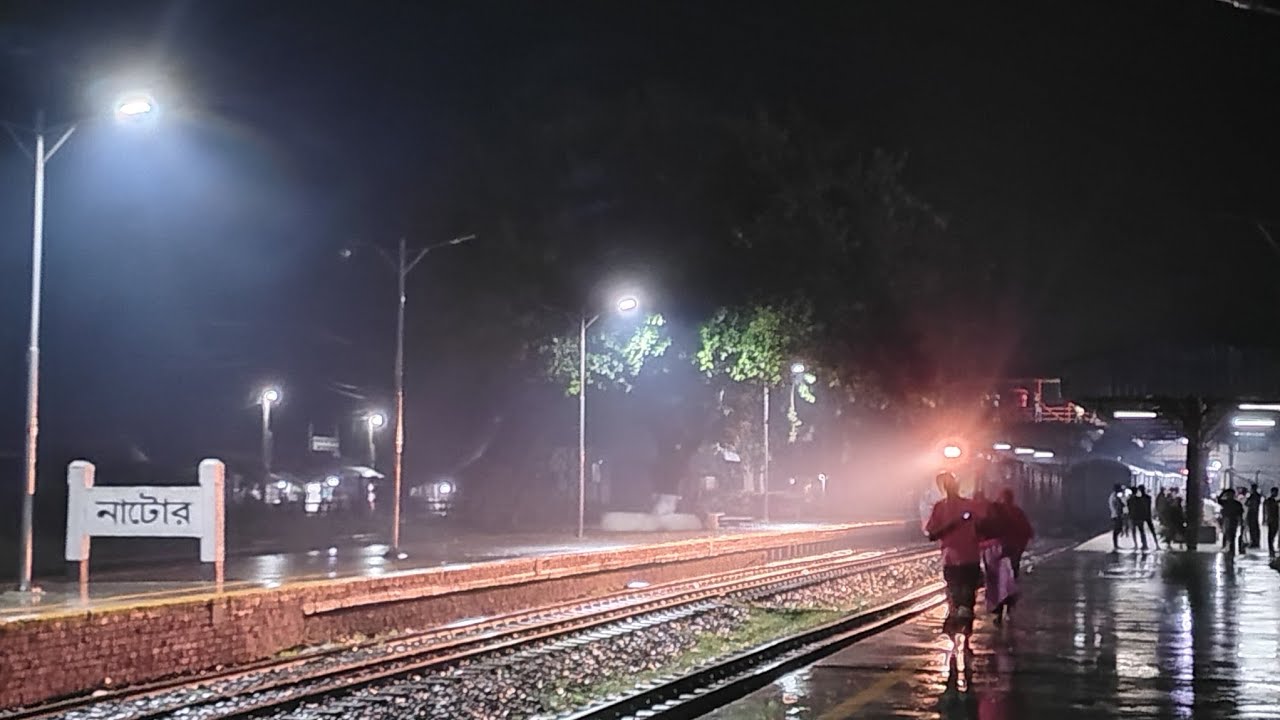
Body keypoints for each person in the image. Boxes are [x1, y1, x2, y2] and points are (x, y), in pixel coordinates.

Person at [925, 471, 984, 640]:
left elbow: (931, 534)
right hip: (970, 557)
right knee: (968, 596)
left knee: (954, 593)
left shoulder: (939, 507)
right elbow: (983, 527)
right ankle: (966, 636)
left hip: (950, 559)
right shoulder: (971, 506)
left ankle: (954, 626)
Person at [1219, 489, 1244, 555]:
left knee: (1232, 535)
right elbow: (1218, 499)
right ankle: (1226, 547)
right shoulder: (1225, 502)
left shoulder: (1236, 504)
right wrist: (1223, 492)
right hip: (1226, 519)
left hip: (1233, 520)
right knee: (1226, 534)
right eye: (1228, 494)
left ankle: (1231, 549)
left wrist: (1241, 522)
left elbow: (1240, 513)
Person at [1109, 484, 1127, 550]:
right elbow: (1116, 506)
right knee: (1116, 530)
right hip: (1116, 515)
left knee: (1118, 529)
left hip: (1117, 515)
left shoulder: (1116, 496)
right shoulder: (1114, 496)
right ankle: (1115, 545)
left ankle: (1116, 544)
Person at [1245, 484, 1263, 549]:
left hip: (1252, 513)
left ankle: (1254, 541)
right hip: (1255, 513)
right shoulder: (1258, 496)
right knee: (1255, 528)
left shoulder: (1252, 496)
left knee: (1252, 528)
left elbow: (1246, 503)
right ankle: (1256, 541)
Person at [1264, 487, 1279, 557]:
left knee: (1273, 534)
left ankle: (1272, 549)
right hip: (1272, 519)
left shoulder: (1273, 501)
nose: (1276, 494)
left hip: (1274, 519)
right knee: (1271, 535)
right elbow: (1267, 511)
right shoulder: (1269, 501)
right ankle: (1271, 550)